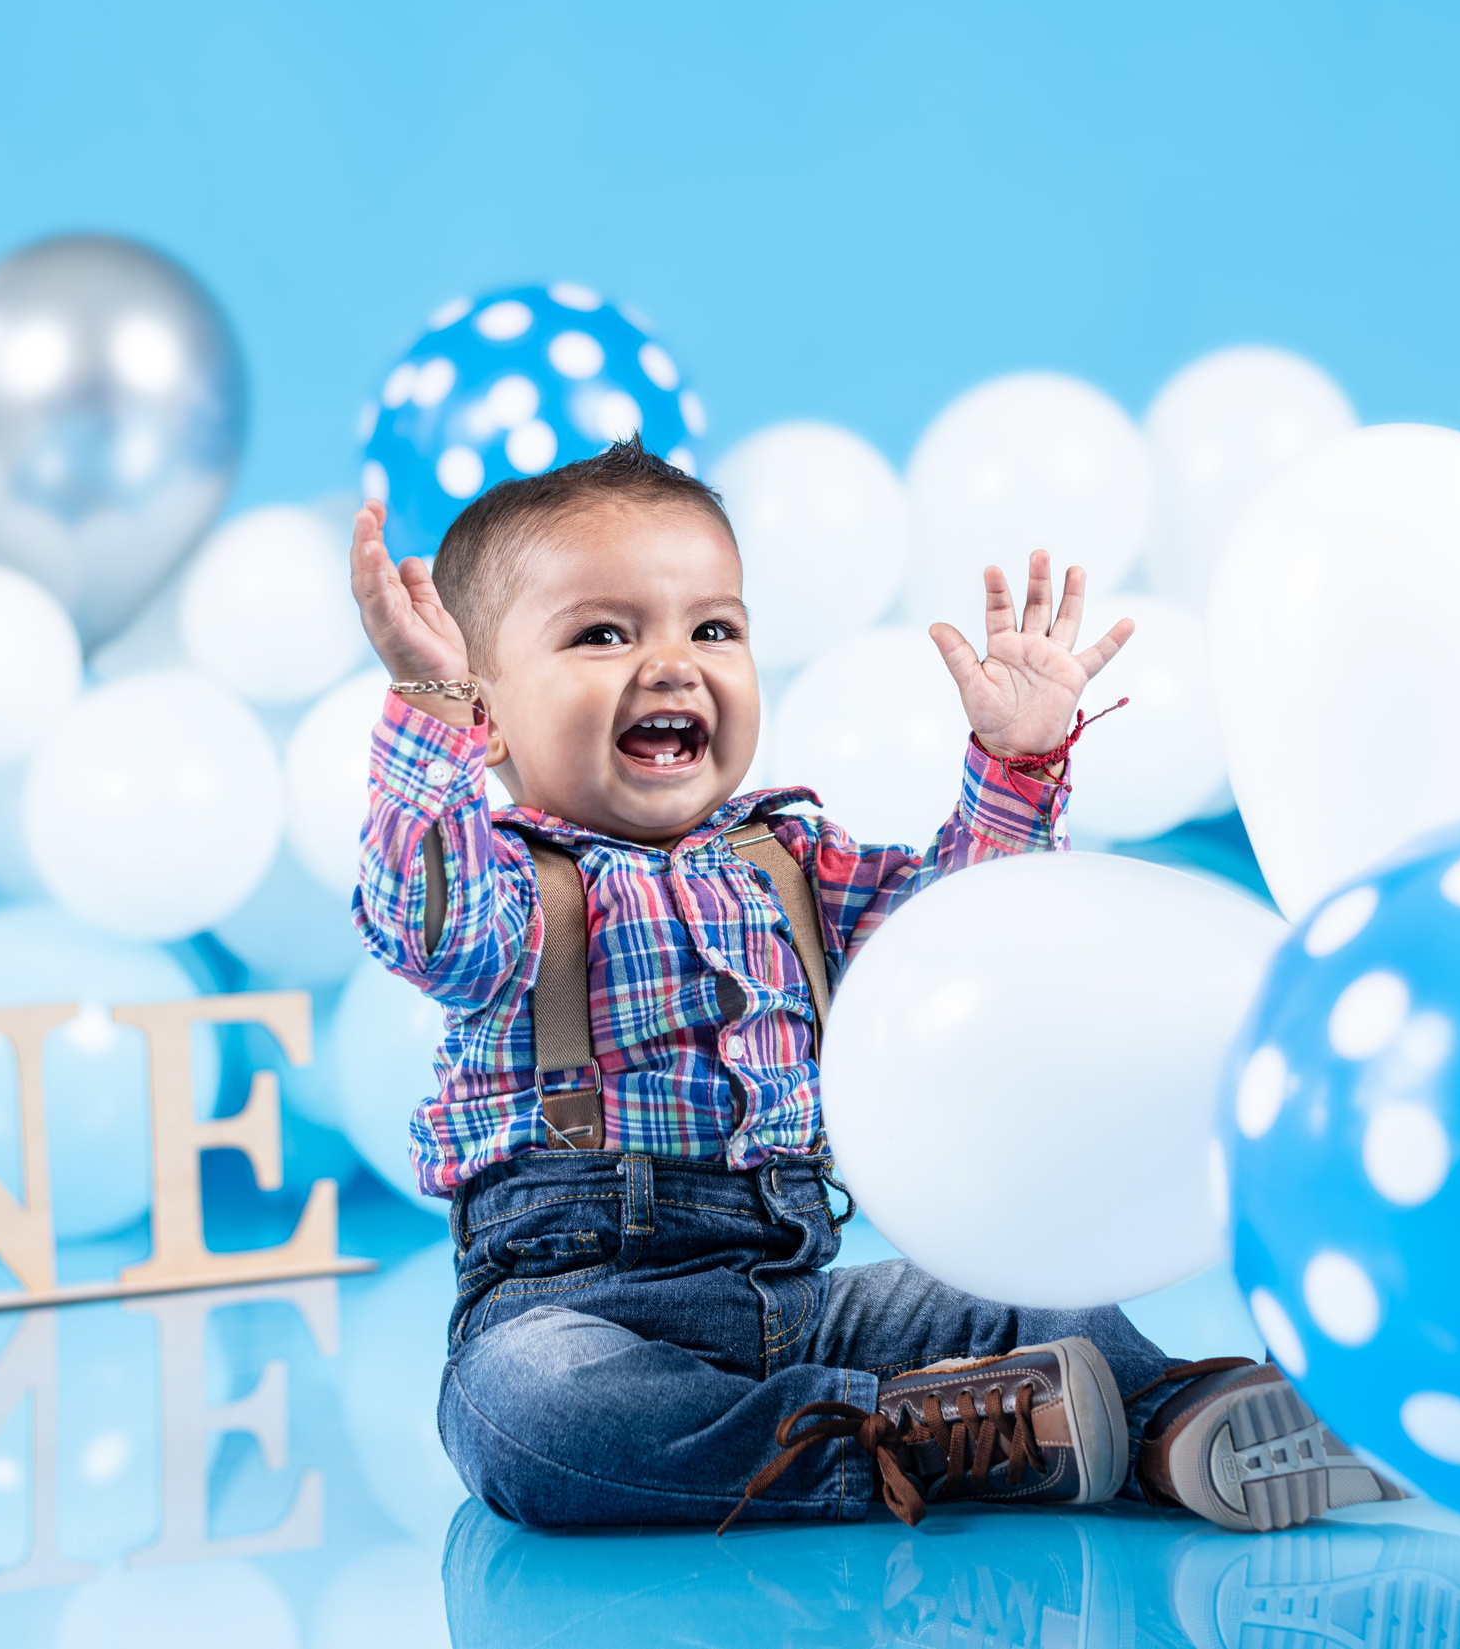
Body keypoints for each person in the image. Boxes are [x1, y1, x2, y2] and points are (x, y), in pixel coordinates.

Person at [347, 438, 1402, 1532]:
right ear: (487, 711)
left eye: (712, 627)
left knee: (1034, 1297)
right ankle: (911, 1435)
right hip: (577, 1304)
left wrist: (1015, 764)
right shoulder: (511, 885)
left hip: (803, 1299)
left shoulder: (789, 861)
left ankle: (1185, 1418)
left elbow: (964, 947)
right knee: (527, 1416)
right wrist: (426, 711)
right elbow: (427, 917)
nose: (670, 664)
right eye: (602, 634)